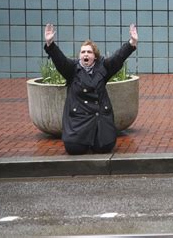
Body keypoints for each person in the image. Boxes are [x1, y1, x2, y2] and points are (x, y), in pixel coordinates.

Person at [43, 23, 138, 155]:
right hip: (79, 121)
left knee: (104, 148)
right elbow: (60, 60)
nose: (85, 54)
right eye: (83, 52)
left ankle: (97, 139)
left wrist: (132, 42)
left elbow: (118, 58)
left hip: (100, 121)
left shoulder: (103, 67)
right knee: (74, 149)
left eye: (89, 52)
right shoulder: (72, 69)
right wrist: (50, 44)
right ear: (79, 55)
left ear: (95, 56)